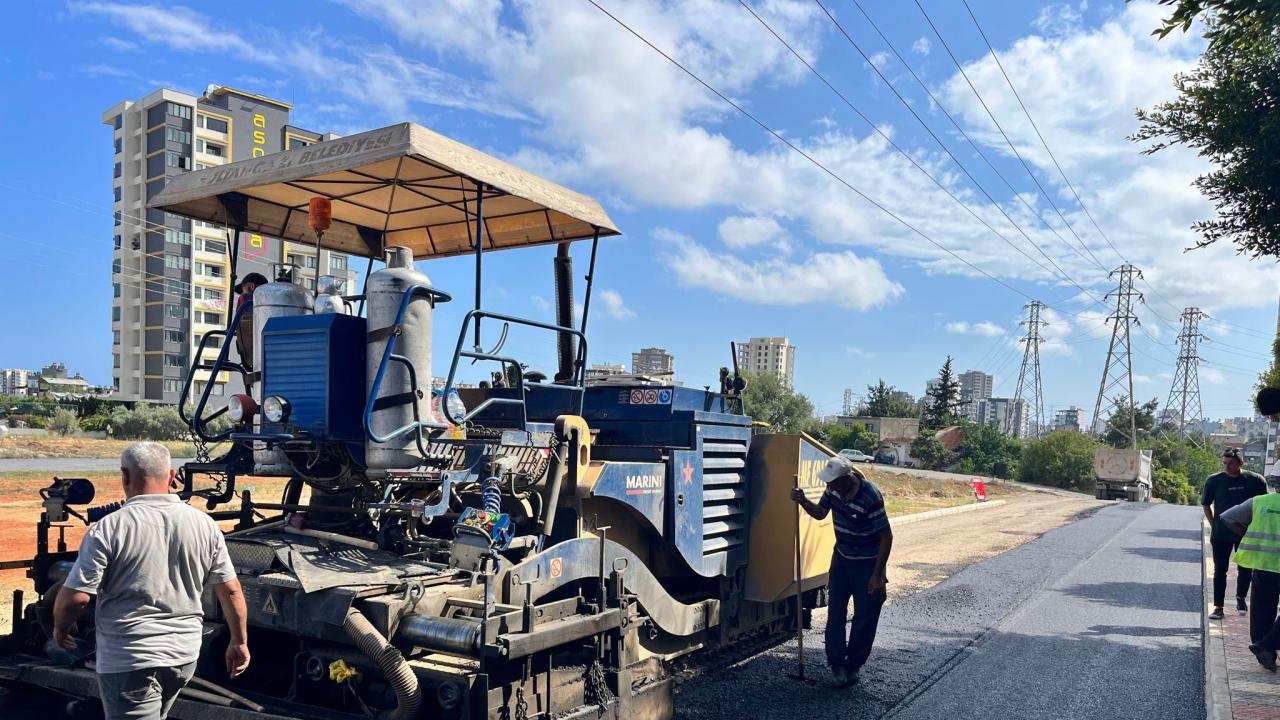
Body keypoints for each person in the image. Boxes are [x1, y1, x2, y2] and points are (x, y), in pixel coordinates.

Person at [52, 442, 250, 720]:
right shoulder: (204, 524)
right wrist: (239, 642)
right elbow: (230, 591)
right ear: (170, 476)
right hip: (183, 657)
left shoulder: (110, 527)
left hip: (131, 659)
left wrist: (61, 629)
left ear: (125, 475)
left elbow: (76, 598)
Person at [790, 456, 893, 687]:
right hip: (842, 559)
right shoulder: (834, 491)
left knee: (865, 616)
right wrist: (803, 501)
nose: (829, 487)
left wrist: (877, 575)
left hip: (868, 563)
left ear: (847, 479)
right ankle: (836, 664)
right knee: (835, 612)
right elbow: (820, 514)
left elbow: (886, 536)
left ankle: (853, 665)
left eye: (833, 482)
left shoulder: (870, 497)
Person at [1219, 484, 1280, 672]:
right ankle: (1266, 645)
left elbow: (1227, 517)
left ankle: (1265, 653)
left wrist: (1247, 534)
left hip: (1263, 564)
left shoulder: (1259, 502)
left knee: (1262, 610)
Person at [1202, 447, 1268, 619]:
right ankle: (1218, 607)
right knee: (1220, 570)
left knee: (1245, 568)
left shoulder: (1255, 481)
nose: (1227, 467)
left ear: (1241, 462)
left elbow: (1263, 506)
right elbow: (1206, 504)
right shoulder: (1214, 481)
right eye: (1224, 463)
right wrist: (1213, 524)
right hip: (1221, 534)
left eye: (1231, 463)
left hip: (1246, 533)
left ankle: (1240, 597)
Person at [232, 272, 268, 374]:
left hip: (252, 356)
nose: (241, 295)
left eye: (243, 289)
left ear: (251, 287)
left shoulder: (246, 301)